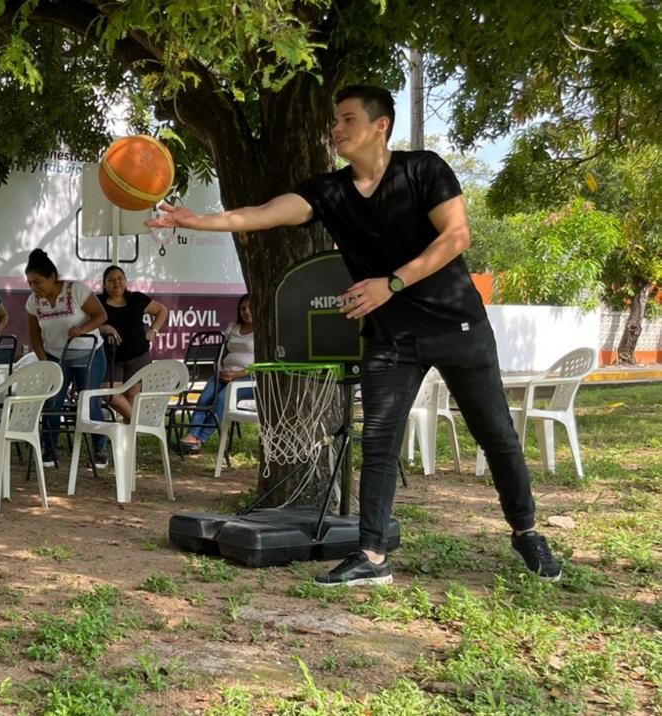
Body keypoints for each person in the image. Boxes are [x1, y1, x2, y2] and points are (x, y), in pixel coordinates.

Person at [148, 84, 562, 587]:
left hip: (457, 327)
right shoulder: (331, 191)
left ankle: (526, 531)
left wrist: (390, 284)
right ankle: (372, 556)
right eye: (335, 120)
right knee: (381, 441)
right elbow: (264, 213)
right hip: (391, 338)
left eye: (346, 119)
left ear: (380, 125)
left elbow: (457, 237)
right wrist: (199, 220)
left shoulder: (424, 170)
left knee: (496, 435)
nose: (336, 129)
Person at [24, 249, 109, 469]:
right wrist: (45, 360)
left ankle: (100, 447)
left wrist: (83, 329)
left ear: (53, 277)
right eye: (30, 283)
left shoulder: (76, 290)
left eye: (38, 282)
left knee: (88, 399)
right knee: (52, 401)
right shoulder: (33, 302)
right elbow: (34, 335)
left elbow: (101, 316)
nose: (34, 288)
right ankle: (49, 450)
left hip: (88, 353)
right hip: (55, 355)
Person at [179, 294, 254, 451]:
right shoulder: (233, 328)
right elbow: (222, 353)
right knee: (204, 398)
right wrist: (220, 369)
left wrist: (236, 375)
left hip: (248, 379)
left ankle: (199, 438)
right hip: (224, 374)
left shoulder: (262, 332)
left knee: (222, 399)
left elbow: (260, 364)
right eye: (243, 308)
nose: (246, 311)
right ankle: (192, 435)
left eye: (250, 307)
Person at [97, 265, 168, 420]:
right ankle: (139, 422)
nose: (117, 282)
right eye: (111, 280)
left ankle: (129, 439)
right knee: (110, 394)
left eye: (120, 278)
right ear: (104, 284)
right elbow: (88, 323)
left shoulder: (136, 299)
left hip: (138, 356)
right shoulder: (97, 302)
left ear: (126, 281)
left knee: (131, 396)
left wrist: (153, 331)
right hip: (111, 358)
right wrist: (105, 328)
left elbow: (162, 310)